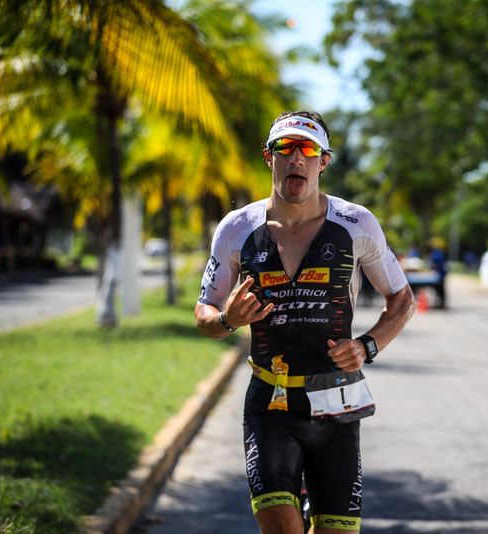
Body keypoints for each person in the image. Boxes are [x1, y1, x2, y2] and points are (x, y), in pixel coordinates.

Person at [195, 110, 414, 533]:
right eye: (286, 148)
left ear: (323, 161)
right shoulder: (236, 228)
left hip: (336, 403)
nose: (297, 157)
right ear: (269, 157)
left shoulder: (356, 224)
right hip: (271, 404)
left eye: (309, 149)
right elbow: (205, 313)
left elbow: (401, 299)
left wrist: (368, 345)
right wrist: (227, 319)